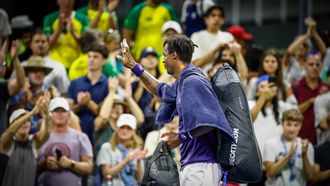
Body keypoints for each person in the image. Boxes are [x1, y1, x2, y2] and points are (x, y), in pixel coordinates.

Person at [117, 35, 233, 185]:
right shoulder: (183, 82)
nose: (163, 60)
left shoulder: (193, 81)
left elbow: (211, 121)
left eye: (165, 55)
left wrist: (180, 137)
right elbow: (160, 89)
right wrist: (135, 66)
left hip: (202, 164)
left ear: (174, 55)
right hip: (194, 164)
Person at [37, 97, 93, 186]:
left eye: (63, 111)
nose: (60, 114)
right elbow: (29, 167)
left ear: (69, 114)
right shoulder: (40, 137)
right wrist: (44, 163)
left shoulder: (81, 137)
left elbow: (89, 167)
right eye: (56, 111)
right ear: (50, 114)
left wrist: (71, 164)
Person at [0, 93, 51, 186]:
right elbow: (10, 132)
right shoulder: (6, 144)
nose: (25, 123)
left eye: (28, 121)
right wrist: (32, 113)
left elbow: (47, 133)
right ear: (13, 124)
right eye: (21, 120)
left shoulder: (34, 143)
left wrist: (46, 113)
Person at [67, 44, 109, 142]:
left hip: (100, 132)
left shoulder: (109, 84)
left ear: (104, 61)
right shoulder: (75, 83)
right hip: (75, 130)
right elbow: (68, 111)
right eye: (89, 56)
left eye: (95, 57)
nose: (91, 60)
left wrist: (88, 103)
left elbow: (107, 115)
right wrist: (80, 104)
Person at [263, 109, 314, 186]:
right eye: (289, 124)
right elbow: (270, 172)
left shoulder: (306, 146)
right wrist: (288, 156)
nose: (292, 129)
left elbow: (310, 177)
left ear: (300, 126)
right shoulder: (270, 143)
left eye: (296, 125)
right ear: (282, 124)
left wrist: (304, 155)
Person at [97, 113, 146, 186]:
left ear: (134, 131)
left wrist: (138, 161)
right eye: (122, 127)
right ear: (117, 128)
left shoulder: (136, 150)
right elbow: (106, 173)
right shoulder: (106, 147)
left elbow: (140, 179)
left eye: (129, 128)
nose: (125, 131)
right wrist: (126, 160)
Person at [292, 53, 330, 145]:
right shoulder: (296, 86)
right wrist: (312, 101)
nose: (314, 67)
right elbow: (292, 112)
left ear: (321, 67)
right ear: (305, 66)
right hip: (300, 138)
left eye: (317, 65)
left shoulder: (327, 87)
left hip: (322, 140)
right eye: (311, 64)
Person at [43, 0, 89, 69]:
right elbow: (48, 46)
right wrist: (59, 29)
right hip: (55, 64)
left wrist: (73, 32)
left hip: (77, 64)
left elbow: (85, 46)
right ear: (57, 1)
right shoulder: (49, 19)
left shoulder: (83, 19)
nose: (67, 1)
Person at [191, 5, 233, 74]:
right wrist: (215, 50)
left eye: (220, 16)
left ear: (223, 20)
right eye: (213, 15)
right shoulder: (197, 36)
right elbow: (194, 65)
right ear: (206, 19)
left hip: (226, 76)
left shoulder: (228, 36)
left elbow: (233, 63)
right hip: (202, 77)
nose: (217, 18)